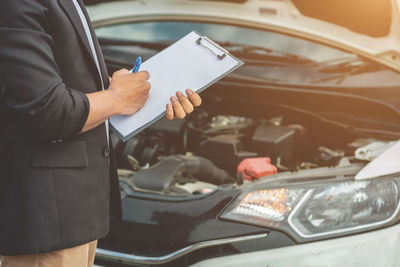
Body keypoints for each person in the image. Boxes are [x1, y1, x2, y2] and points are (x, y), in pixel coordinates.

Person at [0, 0, 202, 266]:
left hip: (77, 216)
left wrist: (141, 95)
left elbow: (66, 85)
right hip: (47, 221)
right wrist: (118, 98)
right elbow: (47, 109)